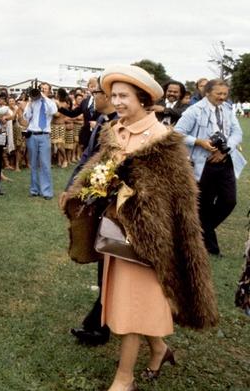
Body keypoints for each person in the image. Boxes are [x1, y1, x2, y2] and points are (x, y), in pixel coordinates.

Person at [66, 64, 218, 391]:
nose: (117, 101)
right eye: (114, 95)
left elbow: (176, 198)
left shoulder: (163, 139)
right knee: (130, 301)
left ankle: (124, 379)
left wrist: (130, 196)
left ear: (144, 99)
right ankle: (160, 350)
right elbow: (97, 171)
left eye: (124, 96)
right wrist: (86, 189)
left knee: (134, 305)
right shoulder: (114, 130)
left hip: (146, 241)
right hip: (116, 236)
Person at [60, 77, 118, 346]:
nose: (91, 95)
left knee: (110, 263)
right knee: (103, 262)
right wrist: (71, 188)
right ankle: (98, 323)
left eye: (95, 91)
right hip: (94, 199)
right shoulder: (103, 122)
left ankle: (99, 326)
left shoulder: (117, 125)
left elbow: (101, 165)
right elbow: (86, 158)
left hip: (110, 204)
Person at [174, 79, 246, 256]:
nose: (222, 97)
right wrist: (199, 142)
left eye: (225, 94)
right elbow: (177, 133)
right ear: (207, 93)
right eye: (218, 94)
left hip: (225, 161)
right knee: (204, 205)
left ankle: (195, 233)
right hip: (203, 164)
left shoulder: (228, 109)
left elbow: (238, 132)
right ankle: (210, 248)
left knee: (229, 201)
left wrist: (225, 149)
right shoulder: (194, 111)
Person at [23, 83, 57, 199]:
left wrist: (44, 97)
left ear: (48, 91)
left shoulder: (50, 102)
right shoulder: (32, 102)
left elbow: (53, 111)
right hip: (32, 134)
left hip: (44, 135)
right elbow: (26, 117)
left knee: (45, 164)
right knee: (33, 164)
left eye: (45, 89)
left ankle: (46, 191)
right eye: (41, 89)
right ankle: (34, 190)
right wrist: (29, 103)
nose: (42, 90)